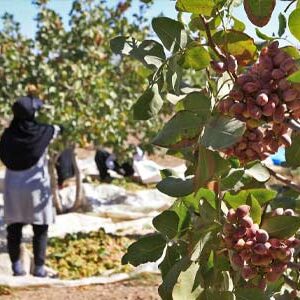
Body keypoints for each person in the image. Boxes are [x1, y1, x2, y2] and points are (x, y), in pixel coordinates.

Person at [0, 96, 61, 277]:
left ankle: (17, 267)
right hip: (36, 185)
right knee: (40, 227)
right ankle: (40, 268)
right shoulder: (45, 131)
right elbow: (59, 129)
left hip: (13, 185)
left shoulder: (7, 136)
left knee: (14, 227)